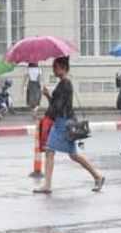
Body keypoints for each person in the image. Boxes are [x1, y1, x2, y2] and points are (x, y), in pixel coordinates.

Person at [33, 57, 105, 194]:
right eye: (54, 68)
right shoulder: (64, 83)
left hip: (62, 123)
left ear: (64, 68)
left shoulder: (65, 84)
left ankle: (48, 185)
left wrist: (49, 108)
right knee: (65, 153)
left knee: (54, 151)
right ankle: (97, 176)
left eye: (56, 68)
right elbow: (58, 104)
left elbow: (59, 106)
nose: (54, 70)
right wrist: (48, 96)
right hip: (63, 121)